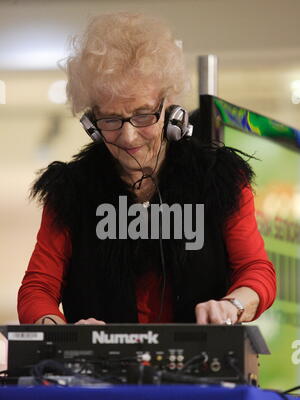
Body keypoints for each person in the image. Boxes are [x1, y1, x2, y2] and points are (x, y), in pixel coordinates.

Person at [18, 12, 276, 326]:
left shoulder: (219, 179)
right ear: (92, 124)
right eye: (111, 120)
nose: (128, 137)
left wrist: (233, 306)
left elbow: (256, 270)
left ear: (171, 109)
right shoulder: (71, 191)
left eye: (143, 115)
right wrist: (59, 330)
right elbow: (38, 287)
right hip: (100, 372)